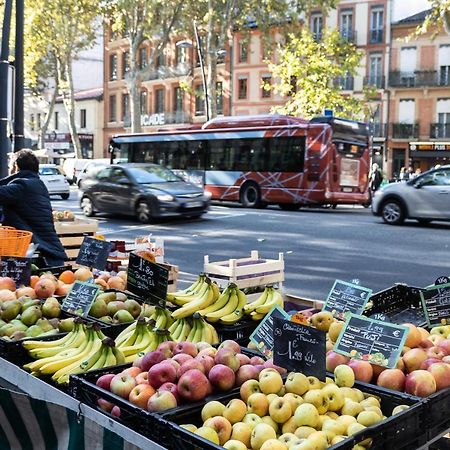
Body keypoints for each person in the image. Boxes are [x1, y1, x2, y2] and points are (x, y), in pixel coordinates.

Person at [0, 149, 67, 266]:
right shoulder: (38, 184)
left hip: (40, 254)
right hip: (49, 252)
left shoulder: (22, 186)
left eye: (10, 167)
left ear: (16, 167)